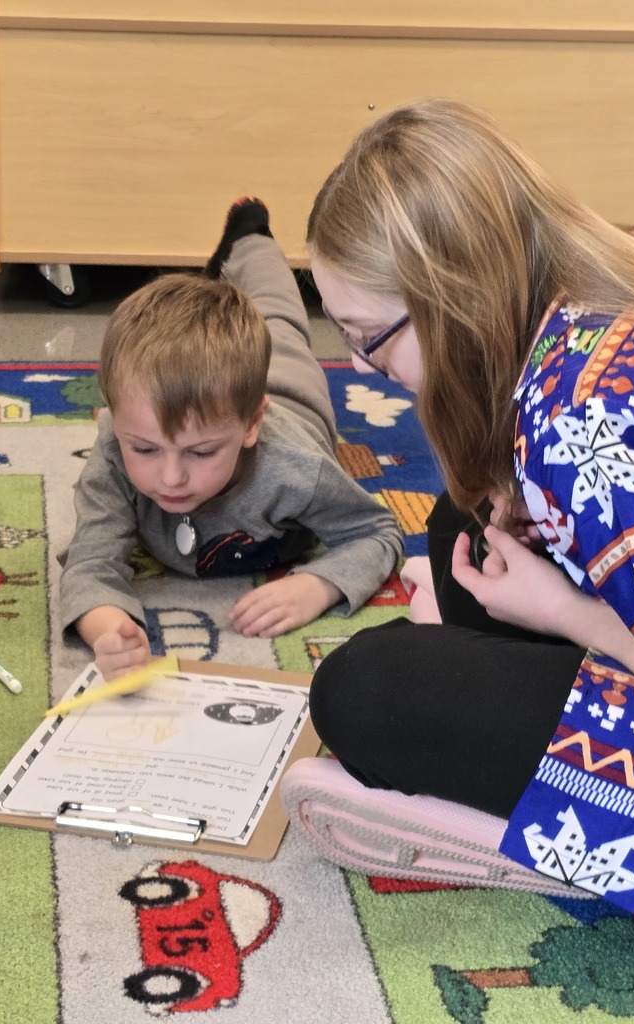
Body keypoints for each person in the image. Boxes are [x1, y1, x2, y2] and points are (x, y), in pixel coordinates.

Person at [280, 99, 634, 945]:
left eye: (367, 337)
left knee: (364, 691)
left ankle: (592, 844)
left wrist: (568, 614)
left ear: (448, 305)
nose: (358, 366)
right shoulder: (597, 307)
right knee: (467, 524)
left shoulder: (577, 422)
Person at [59, 198, 403, 681]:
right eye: (146, 449)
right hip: (226, 392)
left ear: (251, 426)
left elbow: (378, 533)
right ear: (114, 420)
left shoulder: (297, 469)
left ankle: (251, 235)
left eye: (201, 453)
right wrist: (109, 630)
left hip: (292, 390)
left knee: (279, 318)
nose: (171, 477)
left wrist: (318, 585)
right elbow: (89, 561)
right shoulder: (115, 449)